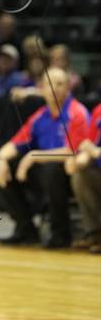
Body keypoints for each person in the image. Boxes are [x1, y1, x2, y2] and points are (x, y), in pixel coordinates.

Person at [0, 68, 89, 248]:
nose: (54, 88)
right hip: (44, 172)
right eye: (49, 84)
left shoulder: (77, 113)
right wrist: (0, 159)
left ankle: (61, 234)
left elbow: (74, 151)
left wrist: (34, 156)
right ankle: (26, 229)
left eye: (60, 84)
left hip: (71, 175)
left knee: (51, 170)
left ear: (68, 88)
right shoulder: (39, 116)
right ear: (42, 88)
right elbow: (15, 143)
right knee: (4, 168)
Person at [65, 103, 101, 253]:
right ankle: (95, 234)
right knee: (80, 175)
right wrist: (80, 159)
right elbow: (89, 143)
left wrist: (95, 152)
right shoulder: (99, 110)